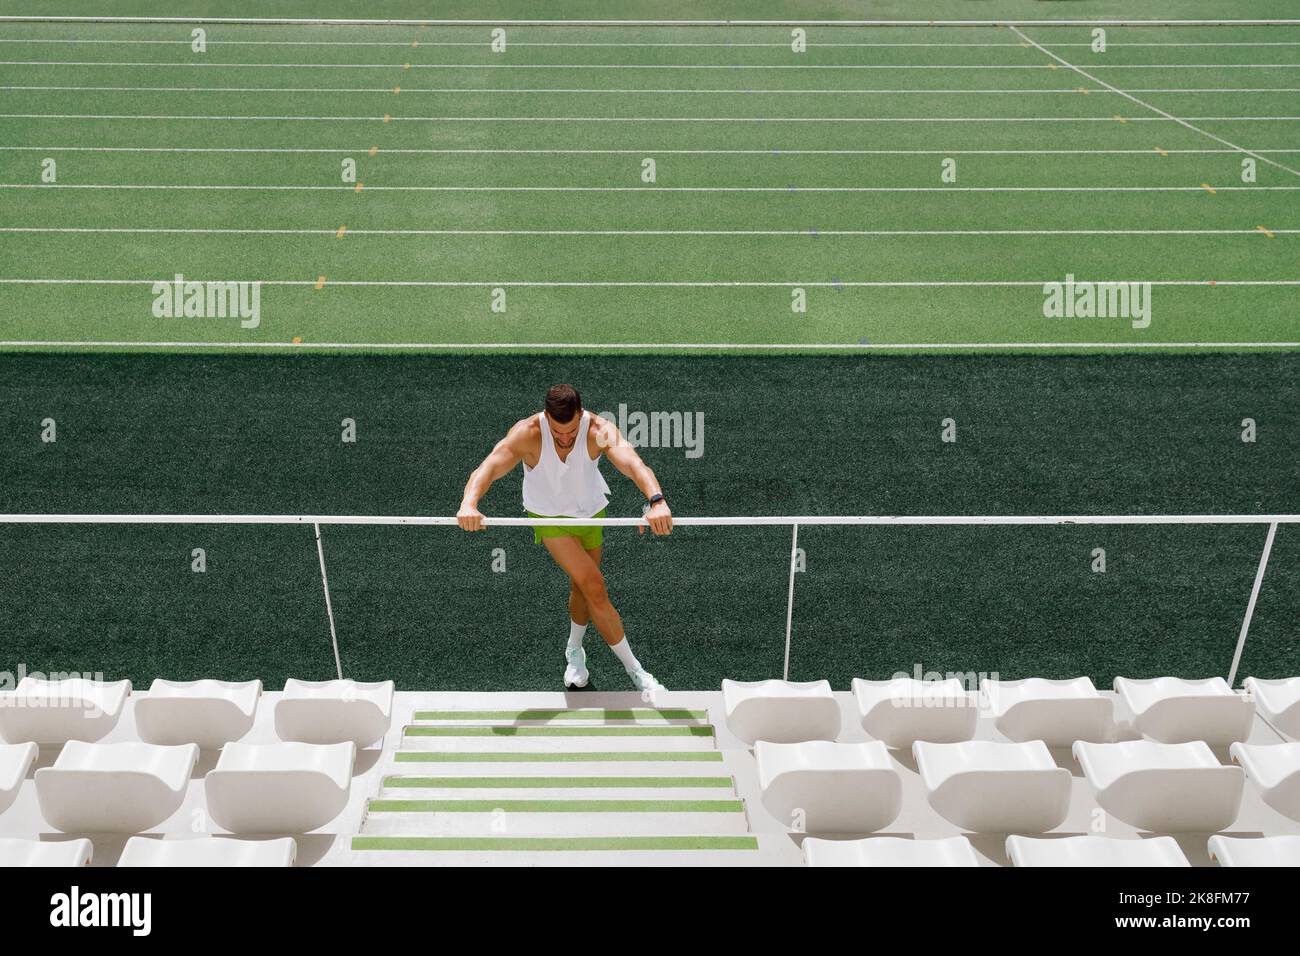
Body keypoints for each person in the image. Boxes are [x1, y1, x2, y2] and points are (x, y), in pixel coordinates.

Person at [457, 384, 672, 691]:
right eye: (559, 434)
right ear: (546, 418)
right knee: (595, 586)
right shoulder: (526, 432)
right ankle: (637, 672)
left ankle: (574, 650)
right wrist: (469, 504)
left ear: (581, 415)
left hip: (590, 512)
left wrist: (657, 501)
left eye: (571, 432)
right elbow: (488, 467)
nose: (566, 439)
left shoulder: (600, 429)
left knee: (582, 587)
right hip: (549, 517)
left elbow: (634, 463)